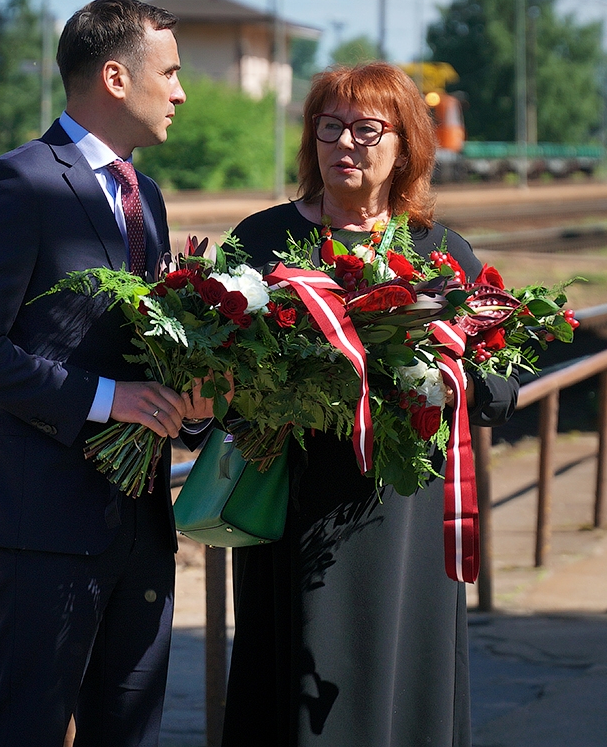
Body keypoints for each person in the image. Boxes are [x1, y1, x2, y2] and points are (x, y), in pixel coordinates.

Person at [0, 0, 216, 747]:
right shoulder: (17, 184)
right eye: (173, 73)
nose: (183, 92)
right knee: (30, 724)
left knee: (130, 728)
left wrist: (190, 403)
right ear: (117, 78)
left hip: (141, 518)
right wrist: (106, 399)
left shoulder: (143, 196)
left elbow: (134, 347)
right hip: (45, 520)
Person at [220, 63, 521, 747]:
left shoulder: (441, 253)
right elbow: (221, 382)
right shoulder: (263, 242)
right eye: (329, 127)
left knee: (401, 691)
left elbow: (502, 386)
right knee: (298, 698)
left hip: (407, 519)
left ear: (405, 145)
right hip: (297, 511)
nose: (344, 144)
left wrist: (454, 385)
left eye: (366, 129)